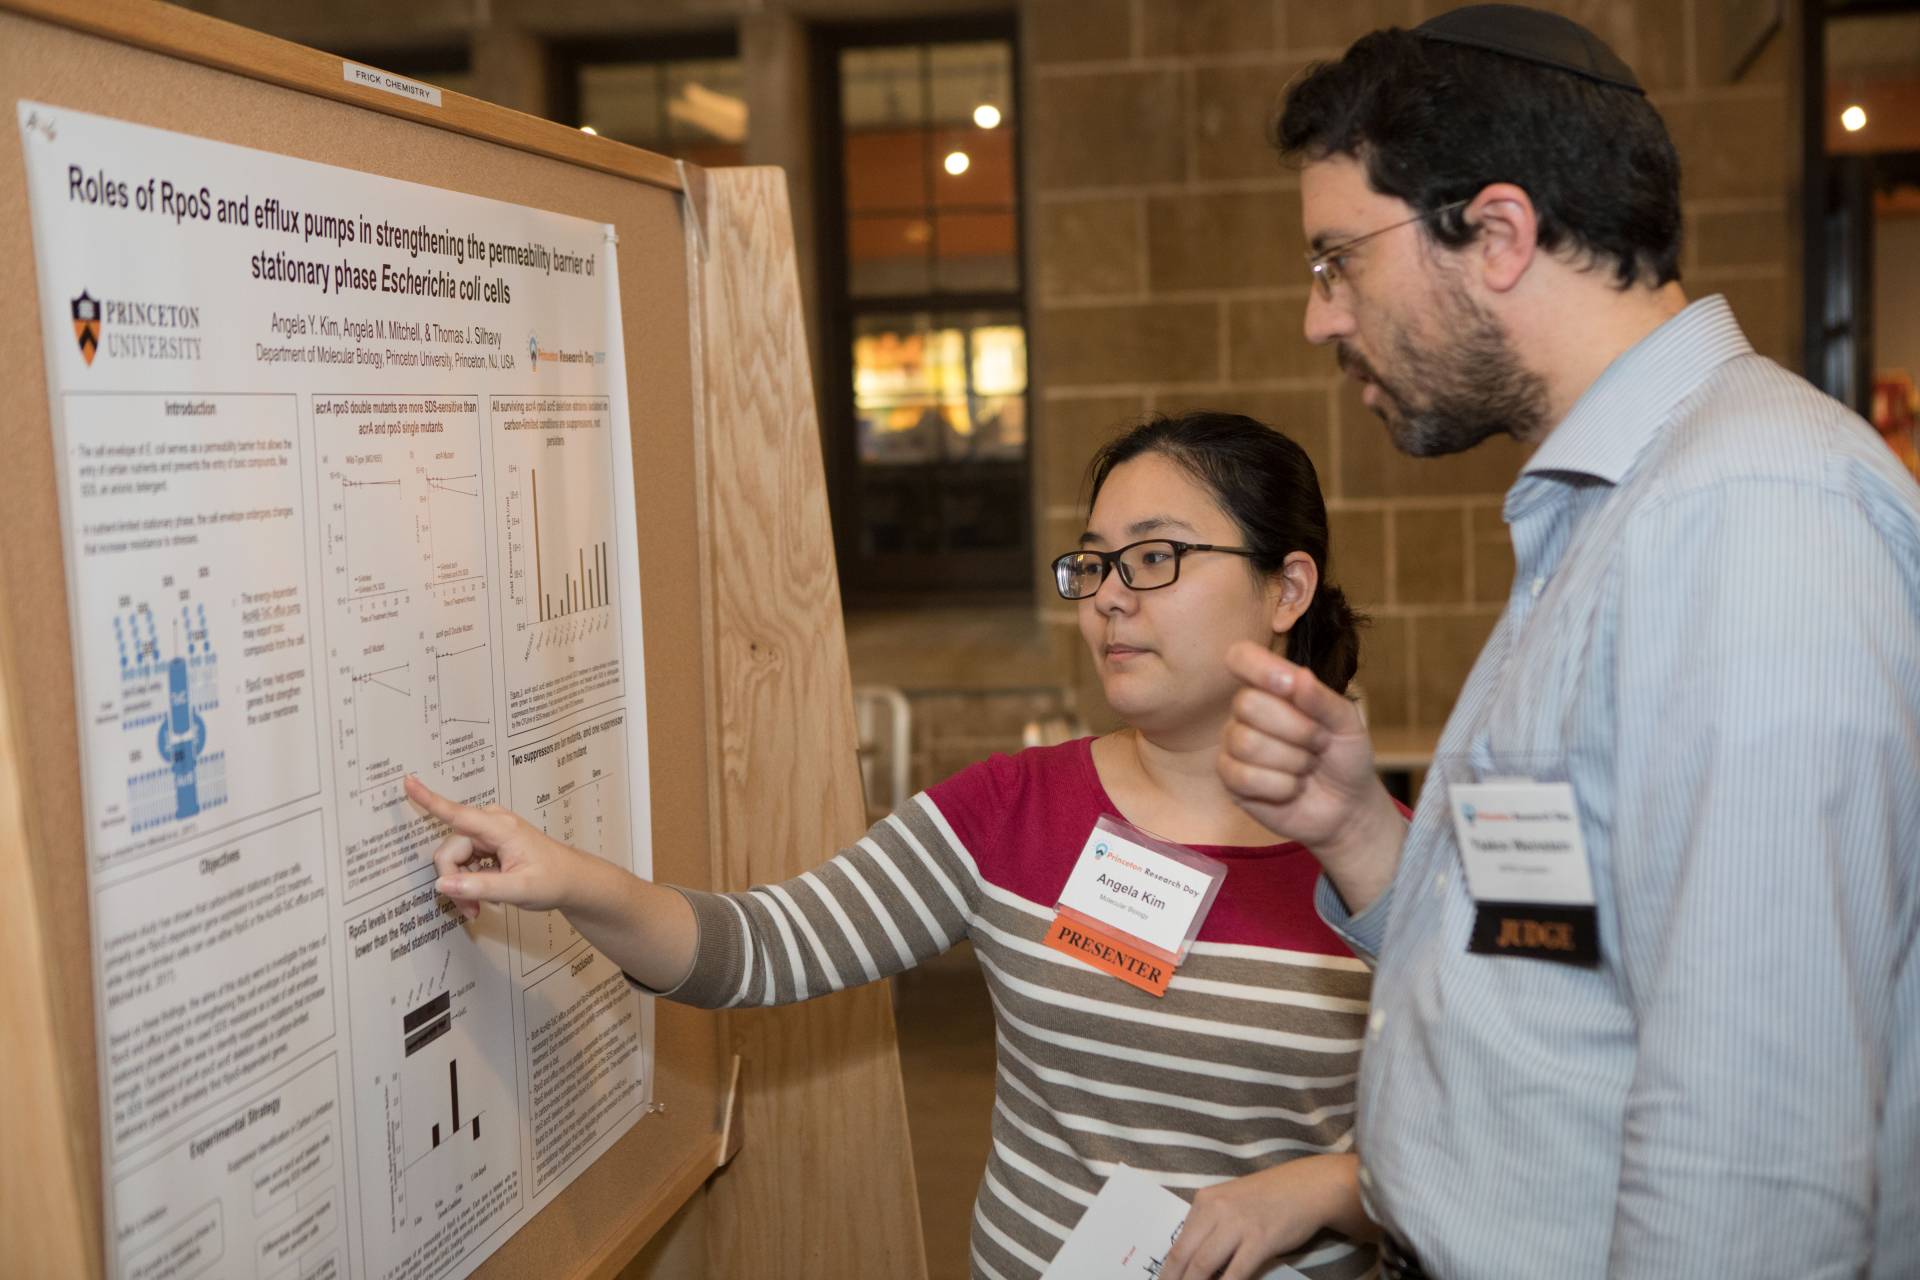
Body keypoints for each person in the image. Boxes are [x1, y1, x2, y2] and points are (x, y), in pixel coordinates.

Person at [1214, 7, 1920, 1279]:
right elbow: (1565, 956)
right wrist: (1366, 833)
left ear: (1495, 232)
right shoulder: (1621, 502)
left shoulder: (1751, 510)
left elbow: (1757, 1147)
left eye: (1337, 259)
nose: (1321, 317)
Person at [409, 412, 1382, 1280]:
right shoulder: (1010, 809)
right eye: (1093, 562)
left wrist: (1322, 1187)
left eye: (1156, 557)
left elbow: (1504, 1131)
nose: (1111, 597)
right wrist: (577, 880)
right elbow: (762, 944)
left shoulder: (1384, 864)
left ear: (1285, 586)